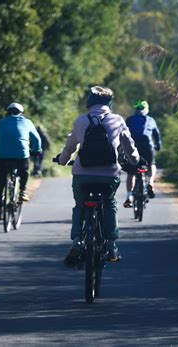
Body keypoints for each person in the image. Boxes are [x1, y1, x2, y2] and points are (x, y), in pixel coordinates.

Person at [58, 86, 140, 265]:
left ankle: (77, 241)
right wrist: (135, 161)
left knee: (80, 206)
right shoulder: (117, 120)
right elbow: (129, 146)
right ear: (109, 103)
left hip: (82, 175)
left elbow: (70, 147)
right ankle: (111, 245)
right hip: (109, 176)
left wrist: (63, 161)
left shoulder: (81, 121)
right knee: (109, 203)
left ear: (89, 102)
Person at [0, 102, 42, 220]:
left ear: (8, 112)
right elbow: (36, 140)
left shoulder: (2, 122)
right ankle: (23, 191)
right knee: (24, 171)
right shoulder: (27, 122)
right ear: (21, 113)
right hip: (21, 155)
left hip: (3, 156)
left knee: (0, 182)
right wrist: (37, 150)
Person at [123, 100, 162, 208]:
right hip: (147, 146)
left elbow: (124, 133)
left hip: (134, 146)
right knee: (151, 164)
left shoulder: (130, 119)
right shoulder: (151, 120)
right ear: (146, 110)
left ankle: (129, 197)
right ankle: (150, 183)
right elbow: (157, 135)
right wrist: (158, 145)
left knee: (131, 171)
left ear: (136, 110)